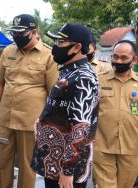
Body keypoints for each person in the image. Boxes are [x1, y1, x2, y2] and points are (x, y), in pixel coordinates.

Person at [0, 14, 58, 188]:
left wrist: (45, 121)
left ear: (33, 32)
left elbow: (53, 93)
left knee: (27, 167)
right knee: (1, 163)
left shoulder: (49, 55)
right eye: (14, 33)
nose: (16, 37)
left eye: (21, 33)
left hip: (30, 122)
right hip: (5, 118)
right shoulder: (8, 51)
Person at [31, 23, 99, 188]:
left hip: (66, 165)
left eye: (61, 42)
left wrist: (68, 171)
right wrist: (41, 121)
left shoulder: (83, 77)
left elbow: (80, 128)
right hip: (55, 160)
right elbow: (62, 107)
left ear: (76, 47)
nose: (56, 47)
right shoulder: (70, 71)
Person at [93, 40, 138, 188]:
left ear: (134, 60)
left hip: (132, 147)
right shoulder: (99, 80)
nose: (118, 61)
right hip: (103, 145)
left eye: (124, 58)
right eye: (115, 57)